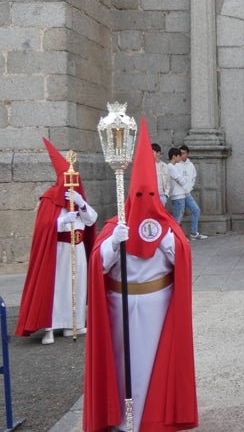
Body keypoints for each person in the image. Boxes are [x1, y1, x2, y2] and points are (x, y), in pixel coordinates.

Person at [83, 118, 198, 432]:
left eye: (149, 196)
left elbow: (182, 259)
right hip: (118, 305)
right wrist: (112, 244)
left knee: (151, 361)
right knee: (121, 363)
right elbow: (99, 264)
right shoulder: (114, 227)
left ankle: (152, 414)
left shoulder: (168, 230)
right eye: (139, 197)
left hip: (156, 305)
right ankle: (121, 417)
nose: (144, 204)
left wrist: (165, 240)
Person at [15, 138, 97, 344]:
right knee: (57, 287)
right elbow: (43, 227)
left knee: (77, 285)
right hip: (58, 250)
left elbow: (91, 220)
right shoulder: (50, 199)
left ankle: (73, 324)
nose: (73, 184)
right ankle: (50, 327)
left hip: (77, 249)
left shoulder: (78, 200)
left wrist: (81, 205)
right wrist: (61, 221)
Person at [174, 145, 207, 240]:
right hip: (179, 193)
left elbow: (193, 178)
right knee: (179, 215)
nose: (181, 155)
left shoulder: (191, 165)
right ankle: (178, 236)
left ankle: (193, 232)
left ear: (187, 154)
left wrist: (189, 188)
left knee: (196, 210)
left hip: (187, 193)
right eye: (180, 153)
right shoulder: (176, 164)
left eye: (183, 153)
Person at [152, 143, 170, 207]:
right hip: (151, 197)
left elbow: (168, 182)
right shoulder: (148, 166)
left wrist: (166, 195)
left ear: (158, 153)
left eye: (153, 152)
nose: (151, 154)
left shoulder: (164, 166)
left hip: (162, 196)